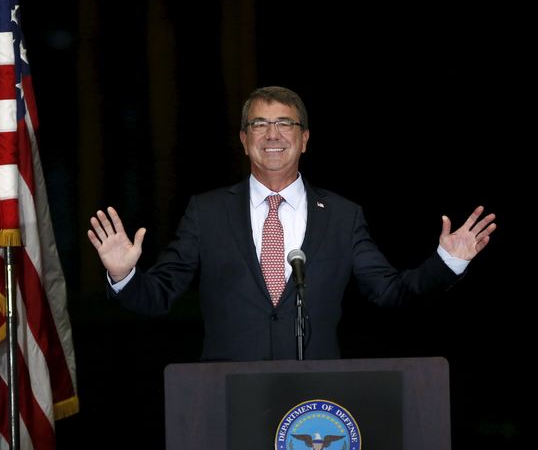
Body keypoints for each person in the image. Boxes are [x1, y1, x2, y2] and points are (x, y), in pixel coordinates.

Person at [87, 86, 496, 361]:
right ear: (244, 141)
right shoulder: (206, 212)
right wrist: (123, 275)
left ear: (304, 139)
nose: (272, 135)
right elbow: (158, 295)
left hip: (316, 401)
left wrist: (447, 262)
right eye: (259, 125)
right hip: (227, 393)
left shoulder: (342, 215)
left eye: (285, 124)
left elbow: (390, 292)